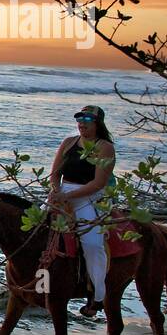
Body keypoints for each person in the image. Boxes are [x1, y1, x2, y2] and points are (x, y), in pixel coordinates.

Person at [47, 104, 116, 317]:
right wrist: (56, 192)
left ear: (97, 124)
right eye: (79, 120)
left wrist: (68, 197)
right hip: (62, 192)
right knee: (35, 229)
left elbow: (98, 183)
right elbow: (54, 174)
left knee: (92, 243)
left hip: (88, 196)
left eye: (87, 121)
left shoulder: (104, 147)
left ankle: (97, 294)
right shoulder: (68, 143)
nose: (81, 124)